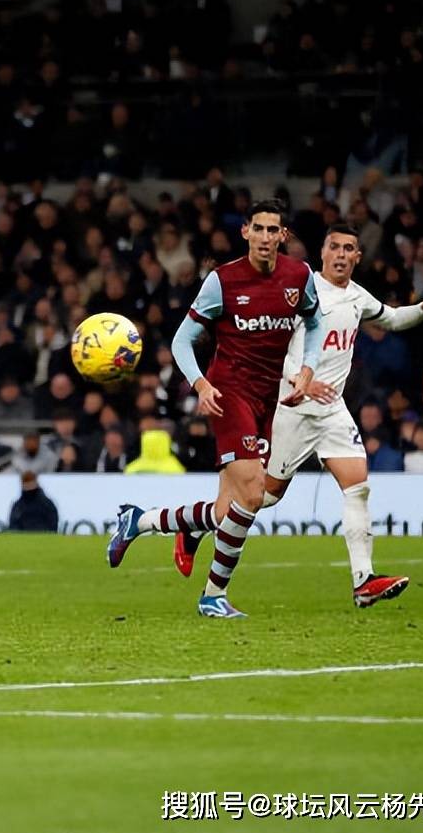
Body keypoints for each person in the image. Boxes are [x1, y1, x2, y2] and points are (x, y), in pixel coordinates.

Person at [174, 224, 423, 607]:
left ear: (358, 256)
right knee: (259, 499)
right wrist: (299, 380)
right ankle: (192, 526)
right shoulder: (300, 292)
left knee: (358, 485)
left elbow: (391, 319)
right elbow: (272, 348)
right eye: (335, 247)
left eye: (349, 249)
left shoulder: (357, 297)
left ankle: (363, 581)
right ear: (322, 254)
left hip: (332, 409)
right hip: (291, 406)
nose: (341, 255)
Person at [106, 200, 328, 618]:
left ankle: (140, 521)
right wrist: (202, 383)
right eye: (257, 229)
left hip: (268, 397)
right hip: (230, 394)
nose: (265, 237)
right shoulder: (222, 281)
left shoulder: (299, 277)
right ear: (245, 231)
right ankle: (213, 596)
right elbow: (180, 340)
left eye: (272, 230)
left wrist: (308, 369)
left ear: (284, 236)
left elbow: (315, 323)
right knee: (254, 492)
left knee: (230, 511)